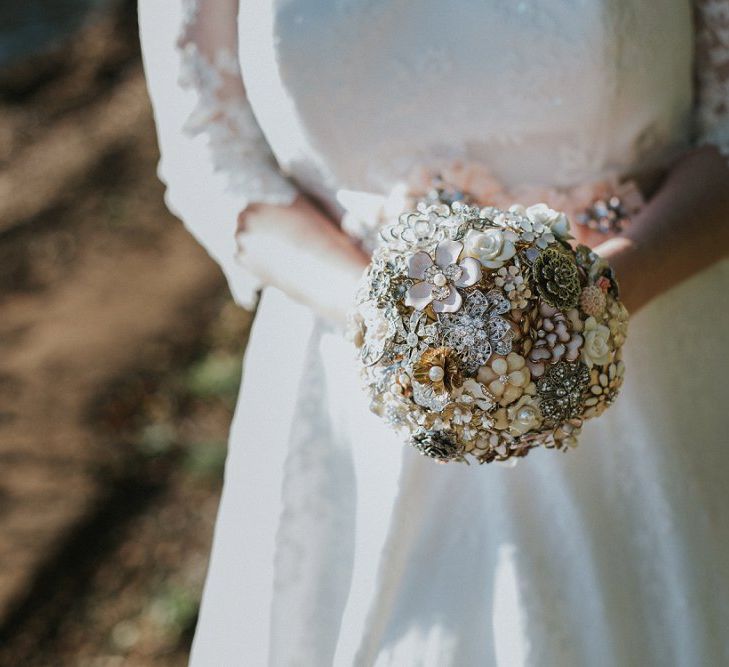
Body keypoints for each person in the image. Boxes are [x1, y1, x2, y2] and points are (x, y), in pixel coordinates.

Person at [139, 2, 729, 664]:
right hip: (354, 387)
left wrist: (594, 300)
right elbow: (208, 153)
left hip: (653, 351)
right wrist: (391, 325)